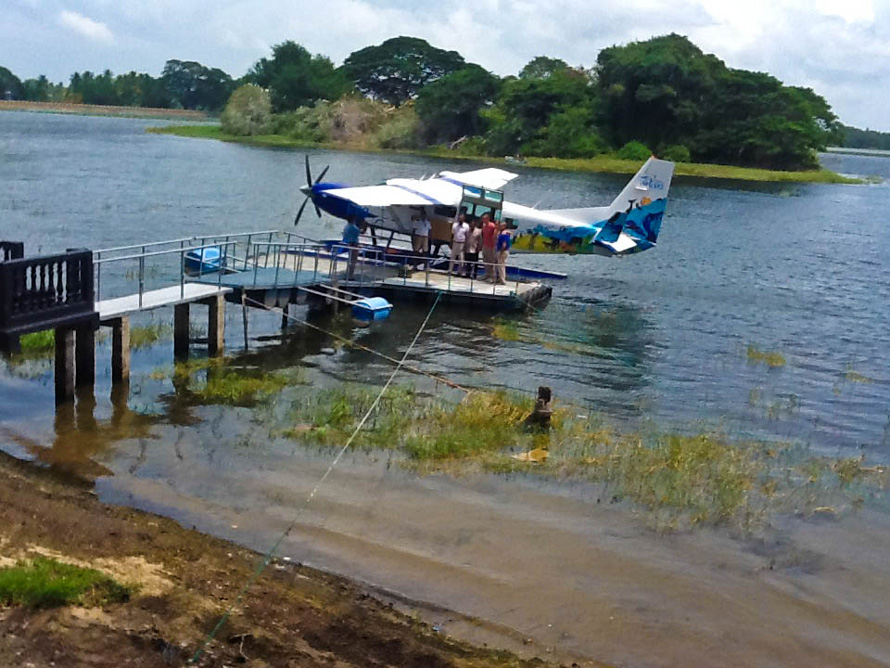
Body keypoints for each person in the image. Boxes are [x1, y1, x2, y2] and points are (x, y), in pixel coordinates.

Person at [480, 213, 497, 282]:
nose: (483, 220)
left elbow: (495, 234)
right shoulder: (484, 227)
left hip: (491, 246)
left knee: (491, 261)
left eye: (484, 219)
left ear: (488, 219)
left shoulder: (492, 226)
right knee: (485, 260)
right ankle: (487, 274)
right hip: (485, 245)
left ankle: (493, 276)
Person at [342, 215, 361, 279]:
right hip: (354, 244)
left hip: (348, 243)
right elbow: (359, 232)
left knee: (350, 260)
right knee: (353, 261)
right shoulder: (354, 227)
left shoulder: (346, 227)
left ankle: (348, 274)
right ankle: (350, 275)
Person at [495, 220, 511, 285]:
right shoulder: (502, 233)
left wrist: (501, 251)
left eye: (501, 225)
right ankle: (500, 279)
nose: (500, 226)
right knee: (500, 266)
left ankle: (502, 280)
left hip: (503, 251)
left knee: (501, 266)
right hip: (502, 250)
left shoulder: (504, 234)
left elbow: (504, 244)